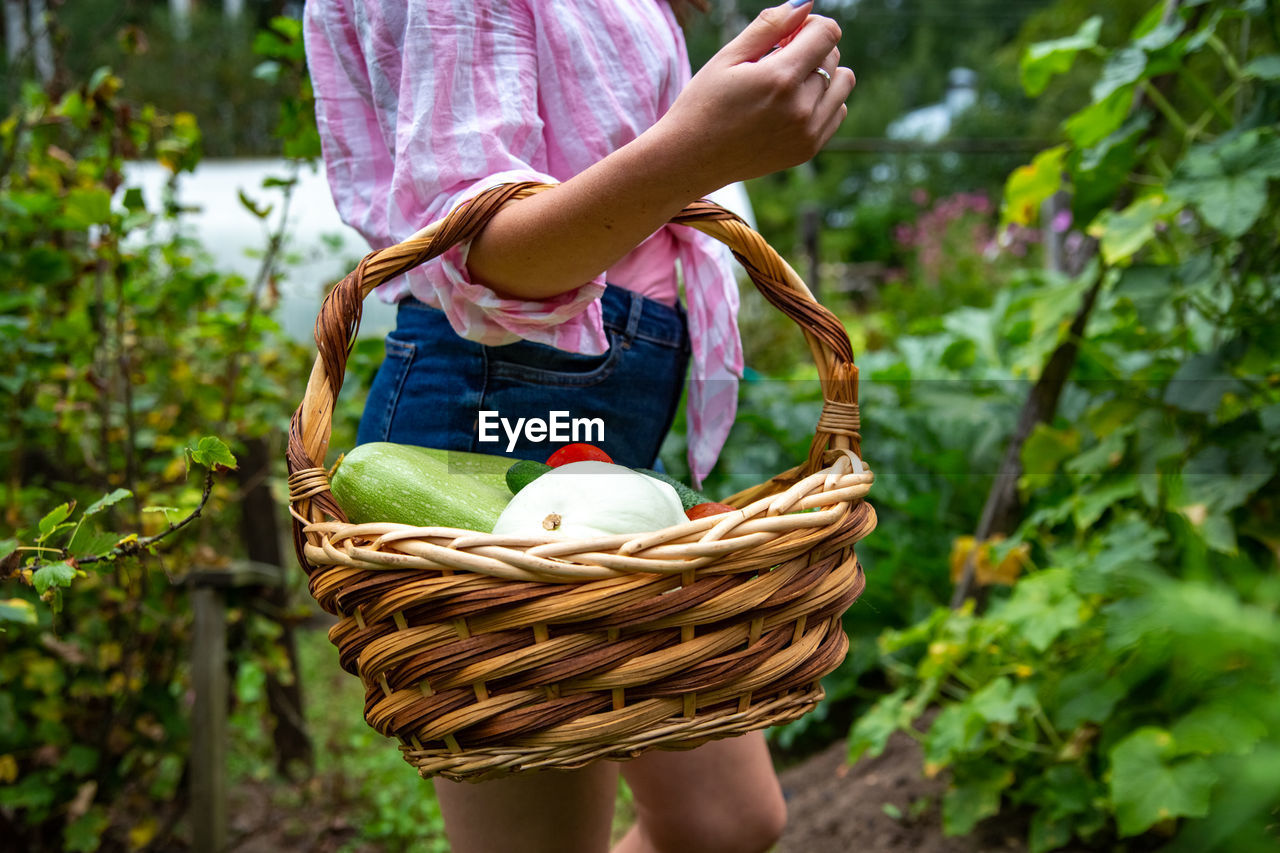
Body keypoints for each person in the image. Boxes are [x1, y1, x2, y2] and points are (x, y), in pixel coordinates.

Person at [304, 1, 854, 850]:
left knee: (723, 819)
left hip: (590, 429)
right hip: (495, 413)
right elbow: (481, 245)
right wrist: (698, 150)